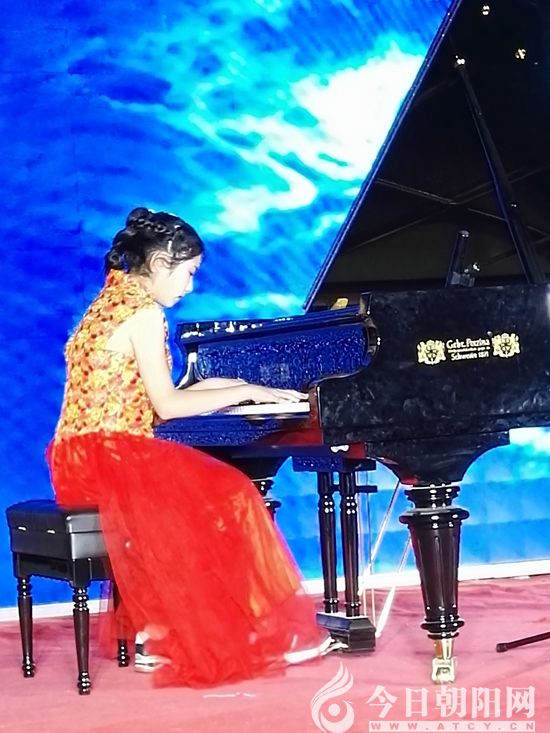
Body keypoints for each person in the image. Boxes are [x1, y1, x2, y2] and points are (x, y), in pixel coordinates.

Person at [47, 207, 333, 688]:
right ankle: (266, 630)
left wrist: (238, 387)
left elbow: (154, 400)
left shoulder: (109, 300)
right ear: (161, 263)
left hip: (74, 457)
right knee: (233, 493)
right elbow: (168, 406)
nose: (190, 286)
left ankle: (156, 634)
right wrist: (246, 391)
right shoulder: (145, 314)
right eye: (189, 272)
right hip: (111, 455)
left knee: (192, 499)